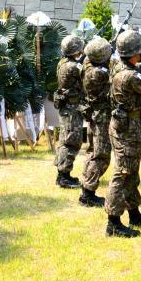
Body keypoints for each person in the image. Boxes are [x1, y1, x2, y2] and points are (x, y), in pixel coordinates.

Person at [104, 30, 141, 238]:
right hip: (127, 128)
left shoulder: (119, 67)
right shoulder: (130, 76)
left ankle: (133, 212)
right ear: (134, 54)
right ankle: (113, 222)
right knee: (123, 173)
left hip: (127, 126)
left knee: (131, 171)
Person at [78, 36, 113, 208]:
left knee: (93, 151)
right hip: (101, 116)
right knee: (101, 155)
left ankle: (86, 187)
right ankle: (88, 194)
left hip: (96, 114)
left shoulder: (88, 65)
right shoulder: (98, 73)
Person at [54, 34, 85, 188]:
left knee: (65, 139)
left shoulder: (62, 63)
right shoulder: (73, 66)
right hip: (72, 107)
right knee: (71, 141)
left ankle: (62, 172)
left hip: (66, 106)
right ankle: (63, 176)